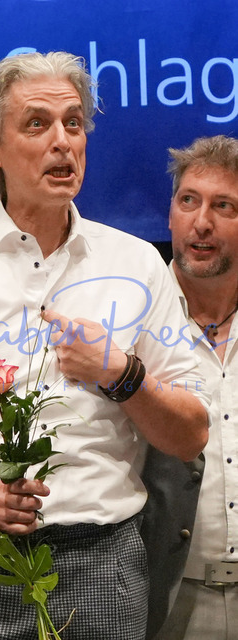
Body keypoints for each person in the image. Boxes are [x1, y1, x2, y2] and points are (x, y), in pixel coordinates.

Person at [0, 52, 209, 640]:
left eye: (74, 123)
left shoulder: (137, 265)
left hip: (103, 565)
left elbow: (190, 435)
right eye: (37, 124)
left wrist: (122, 374)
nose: (62, 142)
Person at [148, 135, 238, 639]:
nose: (201, 222)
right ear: (170, 214)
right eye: (189, 200)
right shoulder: (130, 318)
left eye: (224, 206)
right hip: (166, 597)